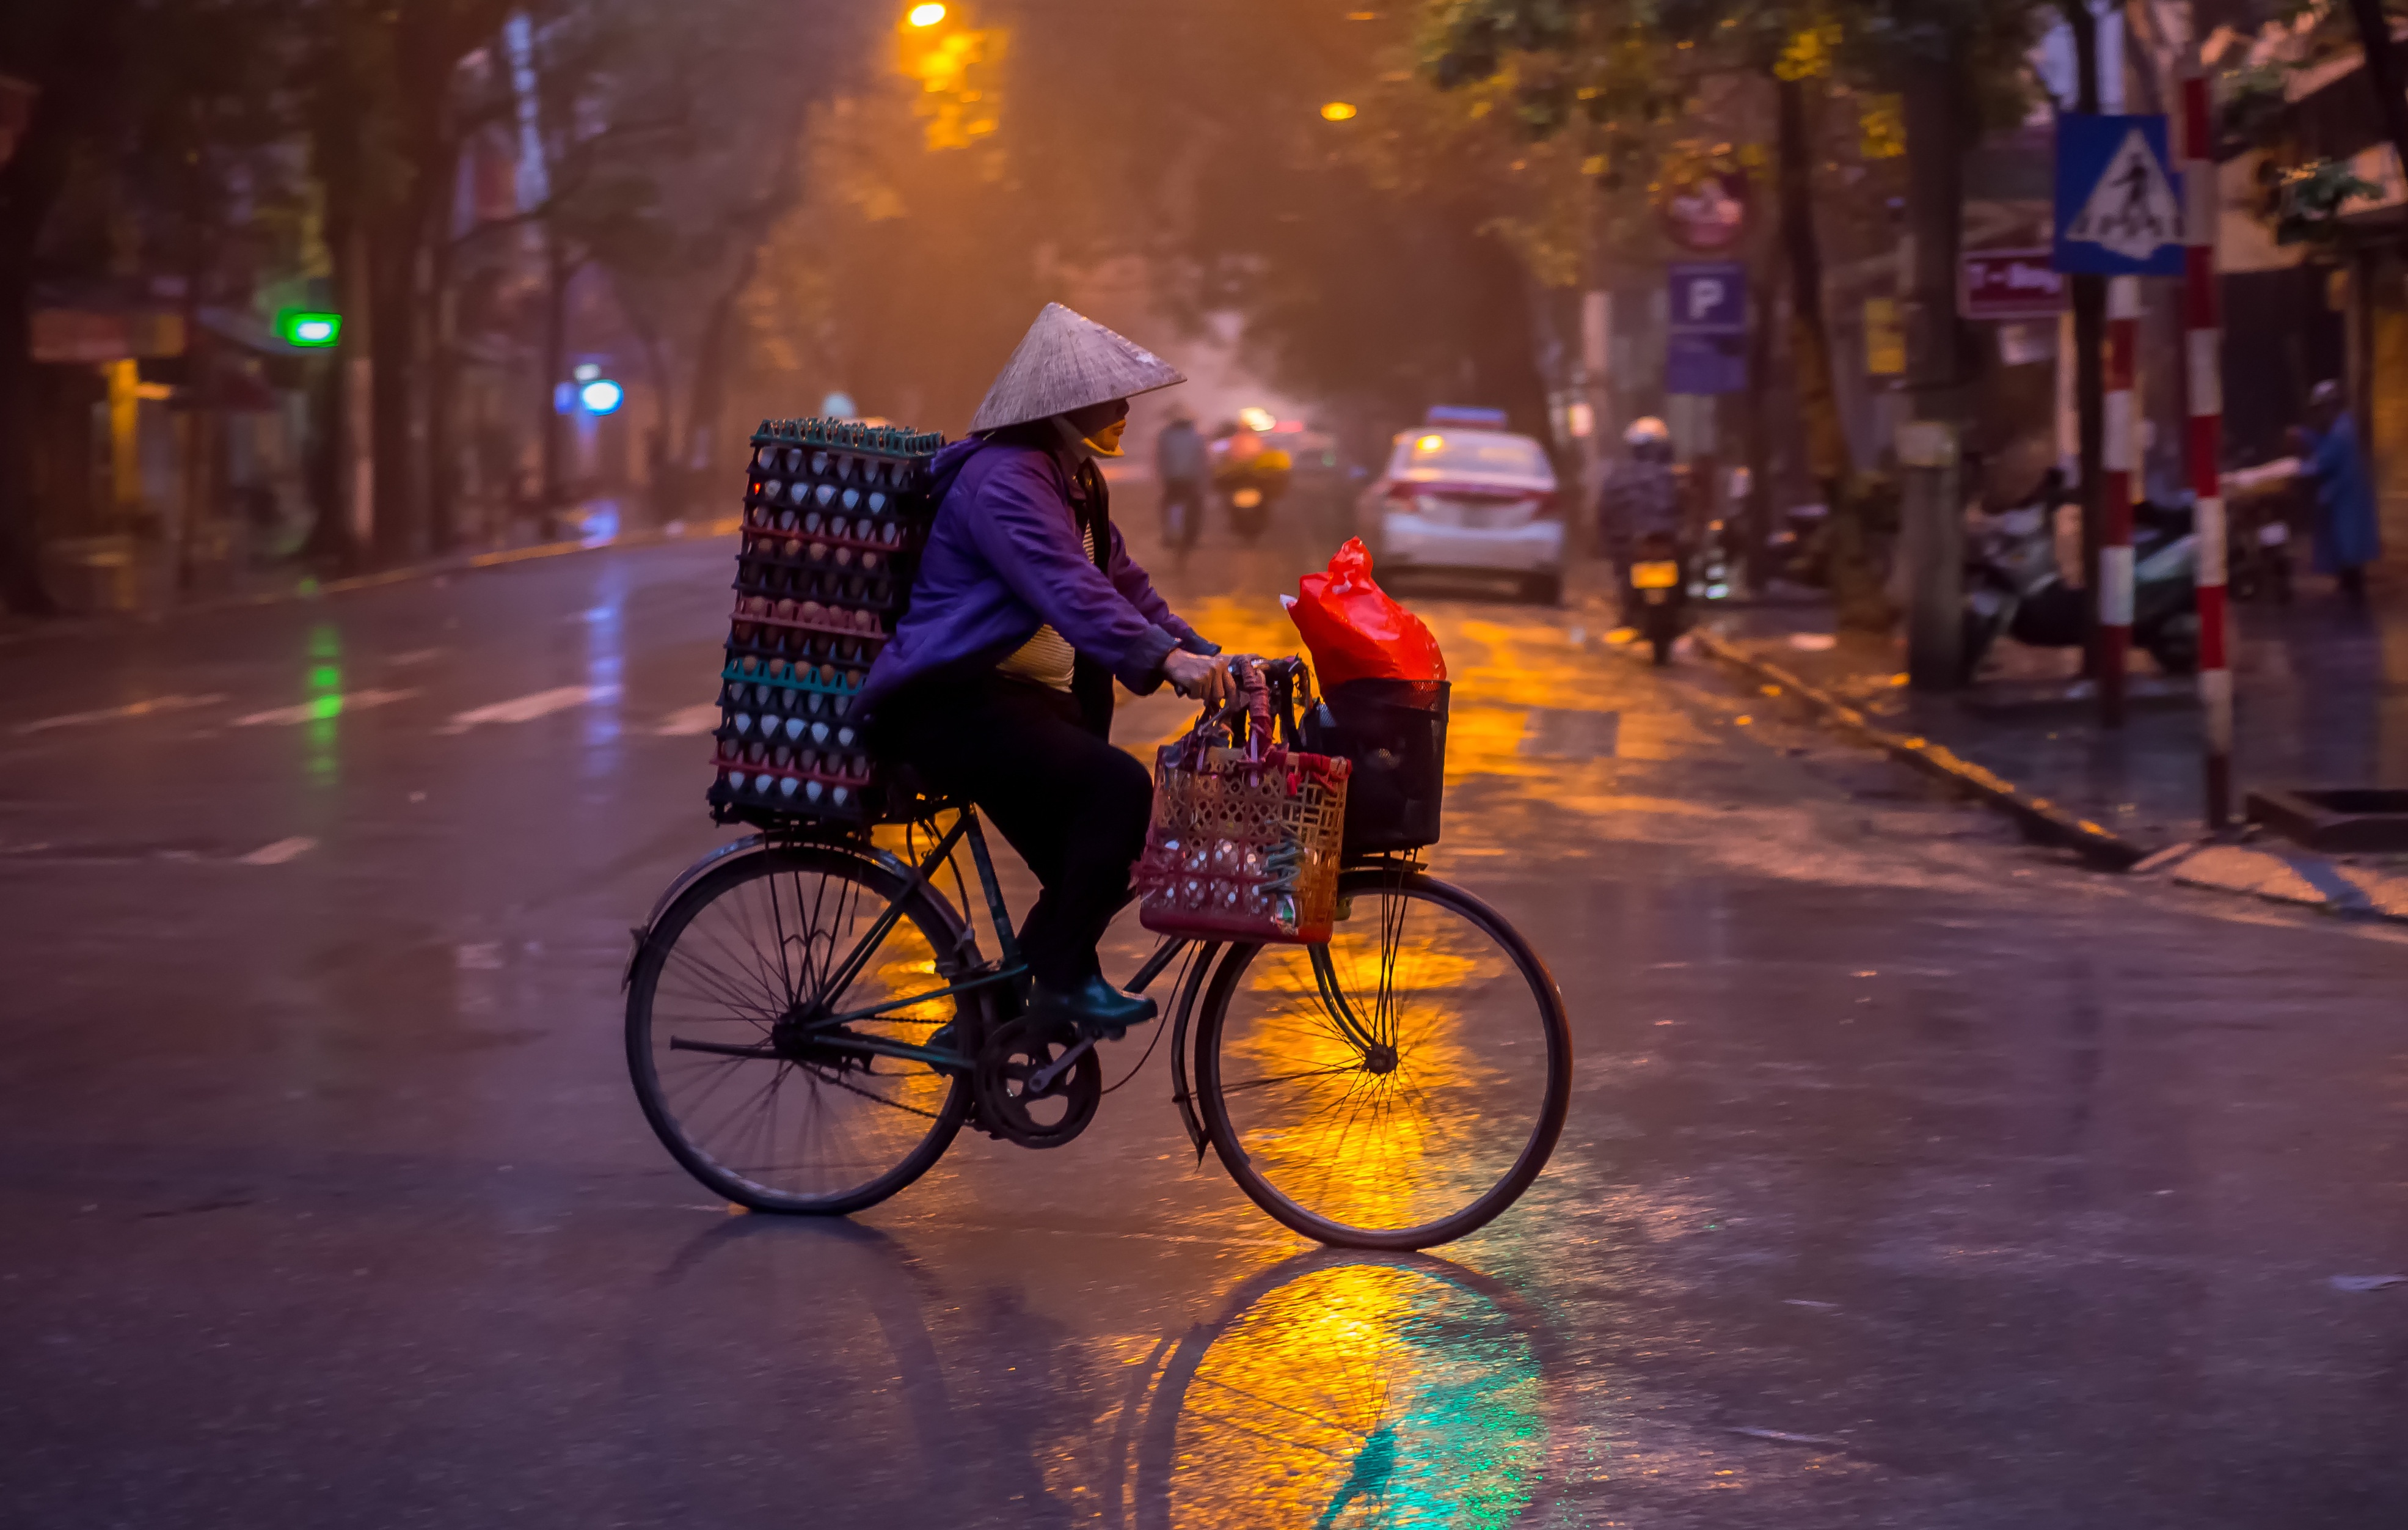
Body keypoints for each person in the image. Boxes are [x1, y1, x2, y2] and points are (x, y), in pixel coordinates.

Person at [861, 303, 1229, 1037]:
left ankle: (989, 1023)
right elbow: (1068, 585)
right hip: (950, 702)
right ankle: (1061, 983)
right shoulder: (1006, 480)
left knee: (1086, 864)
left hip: (1015, 704)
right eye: (1108, 397)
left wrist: (1208, 657)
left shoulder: (1074, 478)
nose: (1125, 409)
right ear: (1060, 405)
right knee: (1119, 791)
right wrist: (1164, 662)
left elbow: (1123, 583)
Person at [2293, 379, 2382, 605]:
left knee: (2348, 542)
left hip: (2346, 497)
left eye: (2323, 407)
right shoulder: (2342, 427)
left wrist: (2300, 467)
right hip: (2344, 496)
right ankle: (2349, 584)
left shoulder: (2343, 430)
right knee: (2345, 542)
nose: (2322, 413)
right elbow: (2326, 449)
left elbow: (2327, 459)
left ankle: (2353, 589)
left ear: (2330, 405)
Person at [1596, 417, 1682, 615]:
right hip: (1640, 544)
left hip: (1654, 544)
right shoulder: (1671, 476)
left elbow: (1605, 516)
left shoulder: (1619, 477)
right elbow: (1607, 516)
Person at [1155, 406, 1206, 549]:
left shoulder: (1165, 435)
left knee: (1167, 505)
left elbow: (1159, 458)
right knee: (1196, 507)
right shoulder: (1196, 435)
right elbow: (1203, 459)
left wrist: (1161, 476)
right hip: (1191, 480)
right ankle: (1192, 539)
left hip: (1172, 481)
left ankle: (1168, 536)